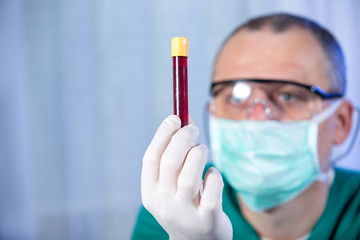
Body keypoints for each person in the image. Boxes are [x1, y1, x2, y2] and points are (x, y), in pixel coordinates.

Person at [132, 13, 360, 240]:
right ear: (213, 116)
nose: (257, 118)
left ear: (340, 122)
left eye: (288, 95)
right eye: (236, 96)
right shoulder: (175, 206)